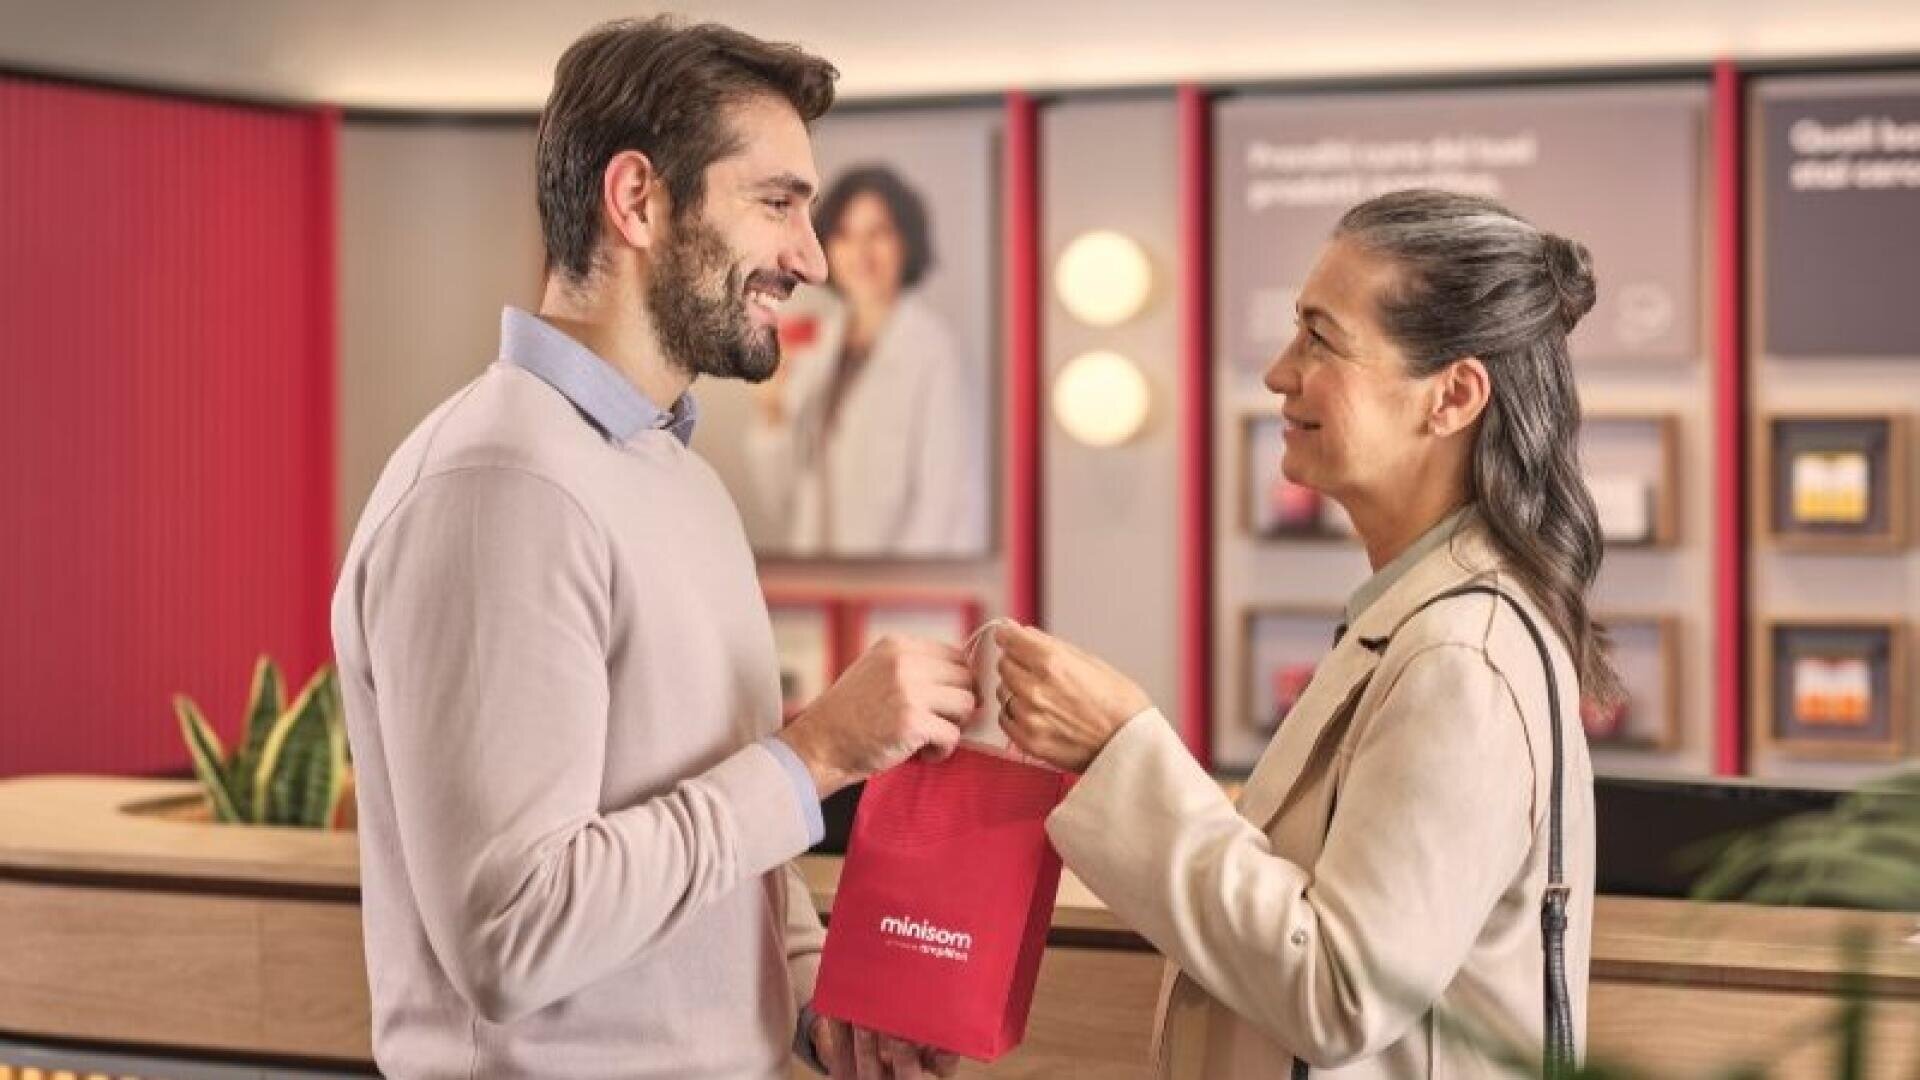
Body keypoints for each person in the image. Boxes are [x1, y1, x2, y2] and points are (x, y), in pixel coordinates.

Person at [331, 18, 968, 1080]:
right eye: (777, 204)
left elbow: (738, 856)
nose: (809, 259)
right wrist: (817, 758)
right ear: (637, 201)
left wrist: (823, 1001)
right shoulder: (503, 485)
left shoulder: (681, 483)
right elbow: (513, 935)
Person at [994, 189, 1607, 1079]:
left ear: (1454, 396)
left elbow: (1341, 992)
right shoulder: (1419, 624)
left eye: (1321, 339)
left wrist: (1122, 750)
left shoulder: (1458, 657)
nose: (1281, 371)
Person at [745, 164, 985, 557]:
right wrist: (773, 415)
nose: (861, 253)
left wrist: (895, 595)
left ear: (906, 242)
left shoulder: (936, 353)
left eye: (878, 234)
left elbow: (945, 501)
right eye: (845, 235)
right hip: (822, 589)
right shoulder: (818, 347)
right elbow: (784, 499)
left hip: (902, 595)